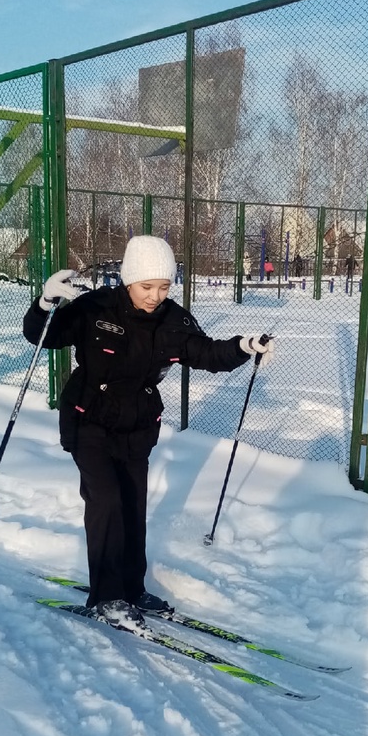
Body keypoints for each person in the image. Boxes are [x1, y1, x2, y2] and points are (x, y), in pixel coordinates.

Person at [22, 235, 274, 629]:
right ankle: (107, 597)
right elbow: (43, 336)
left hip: (137, 428)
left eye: (164, 286)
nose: (155, 295)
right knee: (105, 502)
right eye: (147, 286)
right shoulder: (96, 308)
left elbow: (208, 354)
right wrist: (45, 302)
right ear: (127, 280)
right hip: (89, 421)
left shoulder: (174, 320)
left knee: (132, 508)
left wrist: (244, 345)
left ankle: (131, 588)